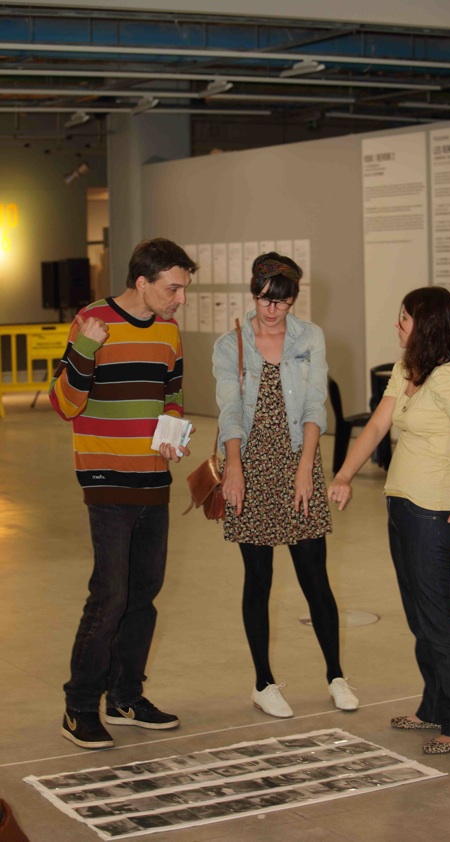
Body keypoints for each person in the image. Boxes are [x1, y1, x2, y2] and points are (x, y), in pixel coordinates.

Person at [328, 286, 450, 754]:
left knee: (439, 619)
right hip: (401, 506)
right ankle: (434, 706)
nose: (397, 325)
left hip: (432, 513)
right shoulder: (408, 368)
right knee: (420, 618)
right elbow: (378, 425)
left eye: (404, 318)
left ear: (427, 325)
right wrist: (343, 475)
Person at [50, 237, 197, 749]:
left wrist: (172, 429)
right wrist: (84, 349)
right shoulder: (92, 321)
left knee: (143, 595)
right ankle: (78, 707)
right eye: (173, 288)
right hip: (105, 477)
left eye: (183, 289)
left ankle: (126, 696)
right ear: (142, 281)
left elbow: (172, 393)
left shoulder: (169, 332)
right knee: (110, 594)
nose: (180, 298)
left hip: (153, 479)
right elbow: (64, 404)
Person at [212, 252, 358, 718]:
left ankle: (336, 676)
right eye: (263, 299)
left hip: (299, 460)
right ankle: (263, 682)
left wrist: (305, 467)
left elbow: (315, 405)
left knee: (316, 579)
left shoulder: (309, 337)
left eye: (280, 301)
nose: (271, 309)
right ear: (253, 293)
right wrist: (235, 467)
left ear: (294, 298)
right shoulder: (230, 344)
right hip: (250, 466)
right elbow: (229, 409)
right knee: (258, 579)